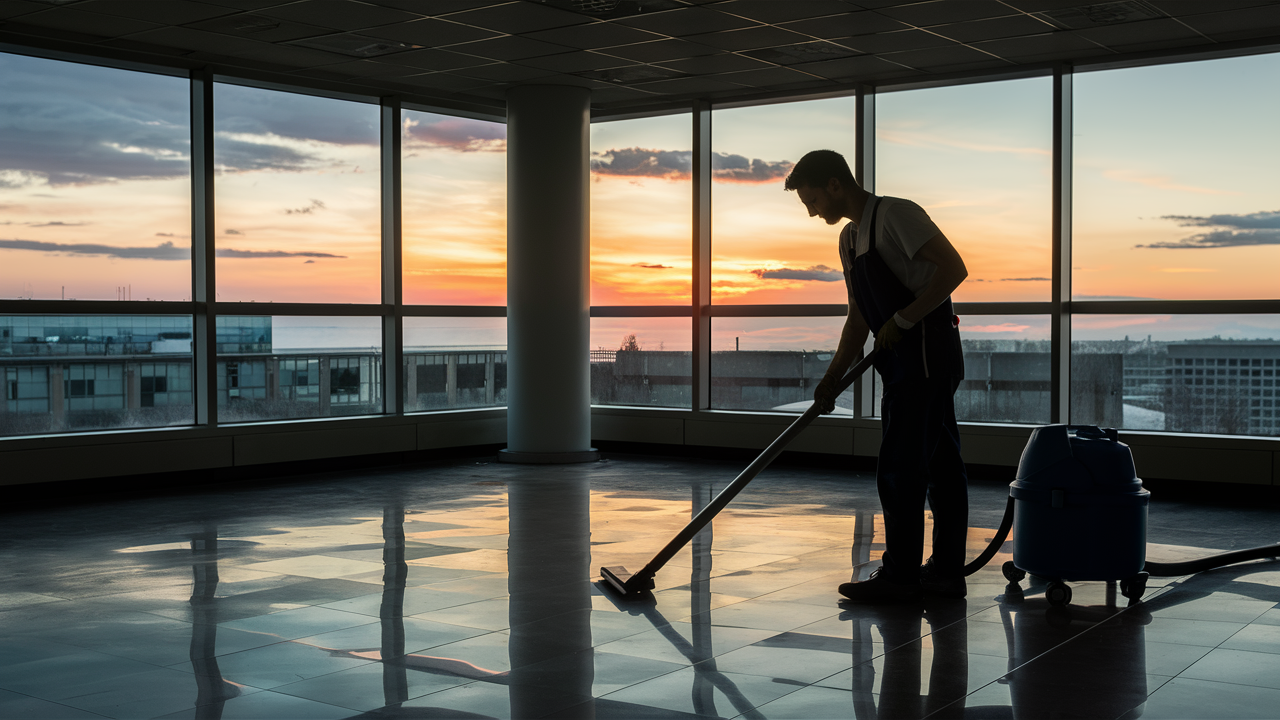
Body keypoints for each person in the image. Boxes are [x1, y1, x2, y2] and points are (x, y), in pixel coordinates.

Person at [784, 149, 969, 602]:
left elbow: (953, 268)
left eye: (812, 201)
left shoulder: (896, 215)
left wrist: (904, 320)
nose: (811, 212)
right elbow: (858, 319)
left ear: (834, 184)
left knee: (902, 469)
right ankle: (945, 572)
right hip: (902, 365)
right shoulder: (849, 239)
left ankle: (902, 576)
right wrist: (831, 378)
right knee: (940, 467)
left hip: (927, 357)